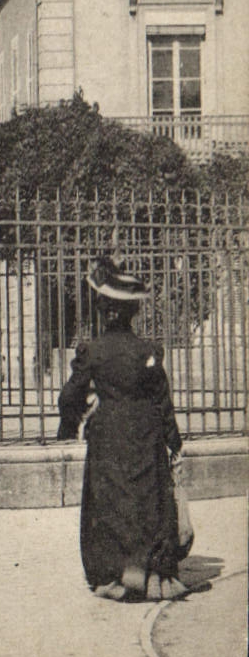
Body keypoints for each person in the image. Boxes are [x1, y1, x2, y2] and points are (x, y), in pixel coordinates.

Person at [57, 258, 188, 602]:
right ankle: (152, 569)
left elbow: (71, 394)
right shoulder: (149, 351)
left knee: (110, 500)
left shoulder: (93, 351)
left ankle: (115, 572)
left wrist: (71, 421)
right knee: (149, 496)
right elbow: (162, 399)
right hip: (146, 432)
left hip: (109, 432)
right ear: (132, 313)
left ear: (104, 310)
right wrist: (173, 441)